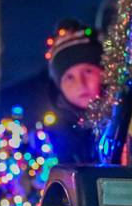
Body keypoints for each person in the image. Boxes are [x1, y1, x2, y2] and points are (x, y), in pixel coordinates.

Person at [42, 20, 104, 164]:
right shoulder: (58, 135)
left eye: (88, 71)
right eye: (69, 77)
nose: (80, 83)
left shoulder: (123, 118)